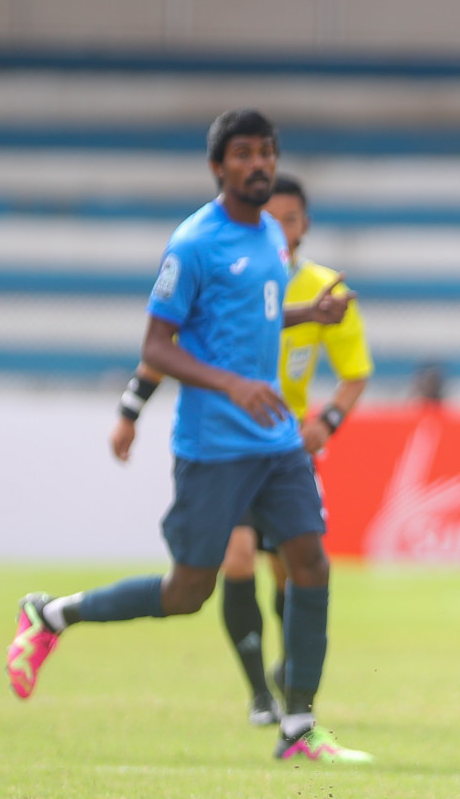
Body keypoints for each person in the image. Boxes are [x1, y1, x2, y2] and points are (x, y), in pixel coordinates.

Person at [4, 108, 370, 763]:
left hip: (277, 442)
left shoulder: (269, 239)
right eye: (243, 154)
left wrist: (310, 313)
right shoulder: (194, 243)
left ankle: (298, 727)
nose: (258, 164)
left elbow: (252, 317)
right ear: (217, 166)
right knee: (186, 593)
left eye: (267, 152)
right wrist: (225, 386)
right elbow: (156, 345)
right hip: (216, 446)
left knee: (311, 562)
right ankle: (52, 614)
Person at [110, 174, 373, 728]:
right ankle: (259, 694)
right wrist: (131, 409)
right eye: (276, 217)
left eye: (292, 217)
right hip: (225, 447)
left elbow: (355, 374)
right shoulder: (229, 265)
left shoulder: (321, 286)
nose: (283, 227)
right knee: (232, 561)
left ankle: (290, 677)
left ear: (304, 224)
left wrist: (326, 422)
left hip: (283, 448)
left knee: (293, 571)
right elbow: (170, 342)